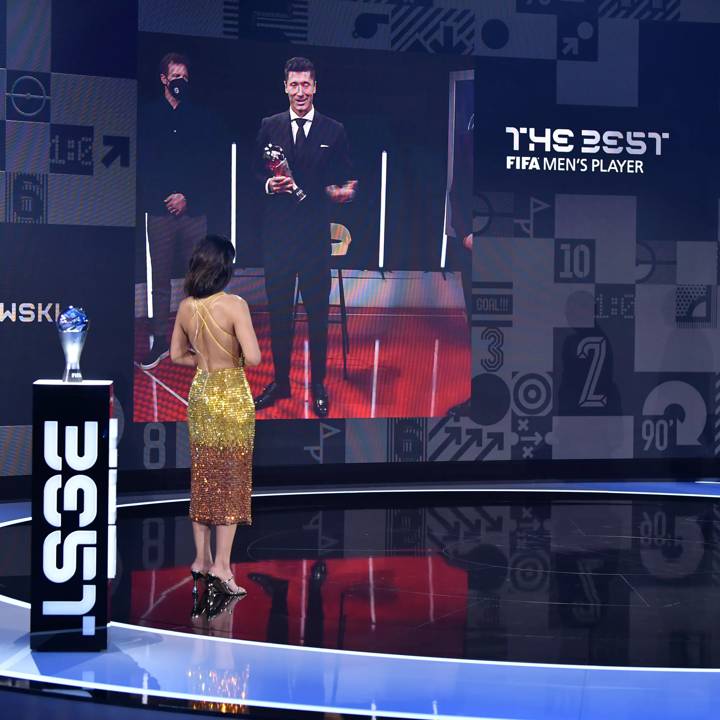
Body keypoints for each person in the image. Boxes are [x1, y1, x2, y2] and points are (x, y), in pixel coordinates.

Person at [253, 57, 357, 417]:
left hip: (315, 241)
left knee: (316, 315)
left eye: (306, 85)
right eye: (293, 85)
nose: (300, 91)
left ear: (315, 87)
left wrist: (346, 191)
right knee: (279, 316)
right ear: (285, 87)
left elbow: (347, 178)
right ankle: (281, 383)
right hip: (278, 240)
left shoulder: (334, 130)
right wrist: (268, 183)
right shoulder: (269, 126)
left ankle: (317, 385)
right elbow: (252, 174)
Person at [170, 235, 261, 597]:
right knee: (231, 480)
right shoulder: (235, 304)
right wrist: (230, 360)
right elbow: (252, 358)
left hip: (202, 393)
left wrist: (204, 361)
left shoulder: (186, 307)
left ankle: (201, 561)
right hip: (231, 395)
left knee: (204, 476)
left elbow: (177, 356)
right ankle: (222, 568)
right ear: (225, 267)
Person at [139, 52, 221, 370]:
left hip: (193, 213)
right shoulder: (148, 115)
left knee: (198, 279)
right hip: (159, 213)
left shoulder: (200, 118)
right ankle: (160, 340)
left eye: (184, 78)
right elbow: (145, 165)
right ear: (163, 79)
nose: (180, 82)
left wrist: (187, 197)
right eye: (175, 77)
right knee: (159, 281)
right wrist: (167, 197)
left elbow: (208, 166)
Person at [447, 121, 474, 417]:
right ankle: (481, 397)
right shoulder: (470, 140)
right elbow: (458, 191)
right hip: (474, 250)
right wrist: (466, 233)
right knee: (479, 327)